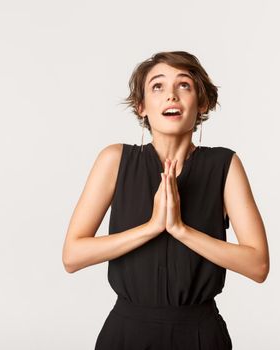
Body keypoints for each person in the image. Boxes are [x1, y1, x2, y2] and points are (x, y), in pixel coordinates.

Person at [62, 51, 269, 349]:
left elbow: (258, 265)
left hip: (200, 335)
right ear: (141, 106)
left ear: (203, 102)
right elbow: (72, 256)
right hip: (126, 334)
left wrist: (180, 229)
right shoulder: (114, 160)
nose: (171, 95)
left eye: (183, 85)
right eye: (157, 86)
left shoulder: (225, 164)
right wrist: (153, 226)